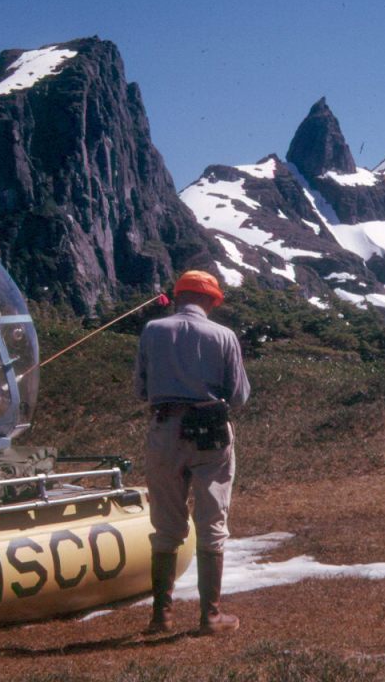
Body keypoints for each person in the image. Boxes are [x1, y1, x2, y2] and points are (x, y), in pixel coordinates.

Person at [133, 270, 250, 636]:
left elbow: (140, 390)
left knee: (165, 526)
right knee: (212, 523)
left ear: (178, 296)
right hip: (211, 434)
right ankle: (210, 616)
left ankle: (161, 616)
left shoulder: (152, 330)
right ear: (212, 300)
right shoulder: (224, 336)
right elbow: (239, 396)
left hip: (164, 430)